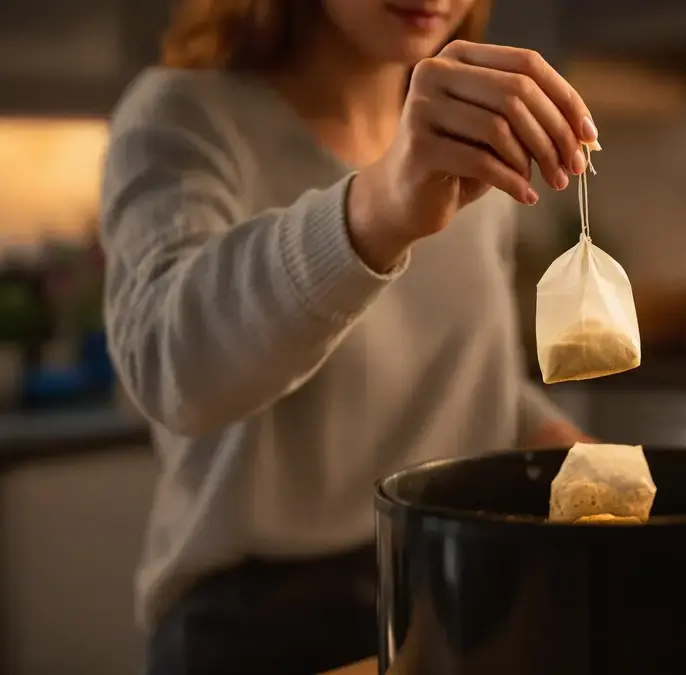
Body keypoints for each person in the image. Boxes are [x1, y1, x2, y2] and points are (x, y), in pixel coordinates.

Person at [99, 0, 597, 672]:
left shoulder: (471, 135)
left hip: (442, 599)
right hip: (254, 627)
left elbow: (459, 378)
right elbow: (169, 368)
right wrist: (376, 210)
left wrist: (565, 451)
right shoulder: (182, 117)